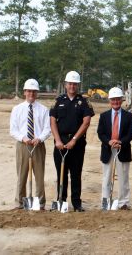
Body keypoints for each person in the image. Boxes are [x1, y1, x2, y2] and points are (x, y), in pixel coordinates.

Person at [50, 71, 94, 212]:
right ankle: (61, 200)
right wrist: (57, 140)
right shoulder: (58, 101)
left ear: (78, 85)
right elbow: (52, 122)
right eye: (70, 83)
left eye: (75, 84)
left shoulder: (84, 102)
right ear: (65, 84)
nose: (72, 86)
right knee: (61, 174)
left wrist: (74, 139)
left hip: (77, 143)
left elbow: (86, 122)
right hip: (60, 143)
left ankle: (76, 203)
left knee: (76, 174)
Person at [10, 79, 51, 210]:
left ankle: (40, 203)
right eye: (29, 91)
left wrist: (40, 138)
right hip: (23, 145)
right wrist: (23, 138)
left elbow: (47, 128)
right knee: (21, 175)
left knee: (39, 176)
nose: (31, 93)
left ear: (37, 92)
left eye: (34, 91)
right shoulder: (17, 109)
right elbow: (13, 130)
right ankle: (19, 203)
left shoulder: (44, 110)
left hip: (38, 146)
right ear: (24, 92)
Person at [97, 87, 132, 210]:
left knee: (123, 177)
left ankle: (124, 202)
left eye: (118, 99)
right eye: (113, 99)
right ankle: (106, 200)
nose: (115, 102)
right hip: (108, 149)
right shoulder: (104, 116)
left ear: (122, 100)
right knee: (107, 176)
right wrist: (109, 142)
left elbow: (131, 133)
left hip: (122, 149)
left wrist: (121, 142)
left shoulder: (129, 116)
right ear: (110, 101)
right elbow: (100, 133)